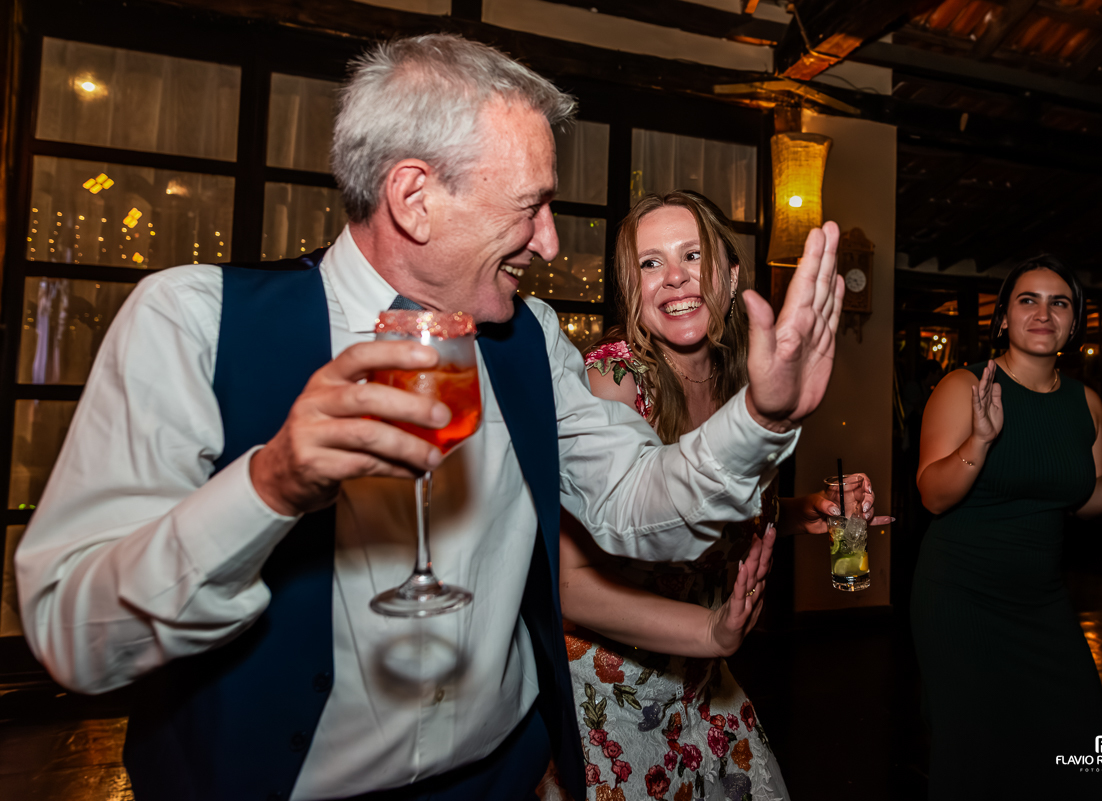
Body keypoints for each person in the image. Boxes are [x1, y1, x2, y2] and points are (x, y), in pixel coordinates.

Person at [14, 35, 846, 801]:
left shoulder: (532, 339)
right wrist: (268, 486)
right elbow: (76, 637)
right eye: (530, 206)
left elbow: (636, 502)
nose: (550, 242)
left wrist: (762, 414)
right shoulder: (193, 322)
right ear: (414, 197)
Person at [539, 191, 886, 801]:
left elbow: (717, 507)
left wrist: (811, 509)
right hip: (609, 692)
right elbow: (569, 584)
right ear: (631, 288)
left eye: (692, 255)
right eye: (650, 263)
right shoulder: (612, 381)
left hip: (702, 682)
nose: (674, 277)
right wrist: (710, 631)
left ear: (727, 274)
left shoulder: (741, 378)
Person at [910, 255, 1102, 799]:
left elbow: (1083, 499)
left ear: (1074, 324)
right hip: (960, 597)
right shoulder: (964, 386)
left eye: (1060, 303)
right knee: (974, 754)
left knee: (1084, 745)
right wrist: (980, 442)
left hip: (1041, 600)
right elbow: (933, 496)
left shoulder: (1088, 405)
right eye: (1027, 299)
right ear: (1003, 318)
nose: (1043, 312)